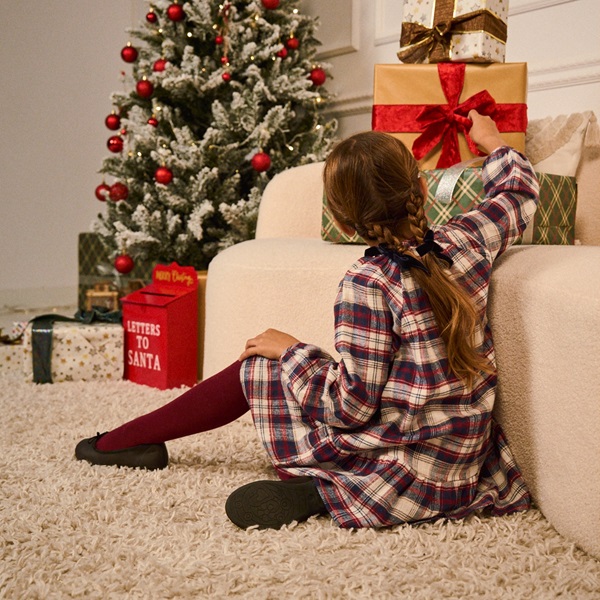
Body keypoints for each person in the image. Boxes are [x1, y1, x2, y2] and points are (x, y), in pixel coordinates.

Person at [76, 111, 539, 530]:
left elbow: (350, 408)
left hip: (402, 471)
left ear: (341, 219)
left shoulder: (368, 282)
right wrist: (494, 141)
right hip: (461, 466)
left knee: (257, 365)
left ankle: (126, 442)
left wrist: (293, 352)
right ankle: (325, 492)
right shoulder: (468, 239)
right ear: (420, 188)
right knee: (299, 370)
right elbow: (517, 193)